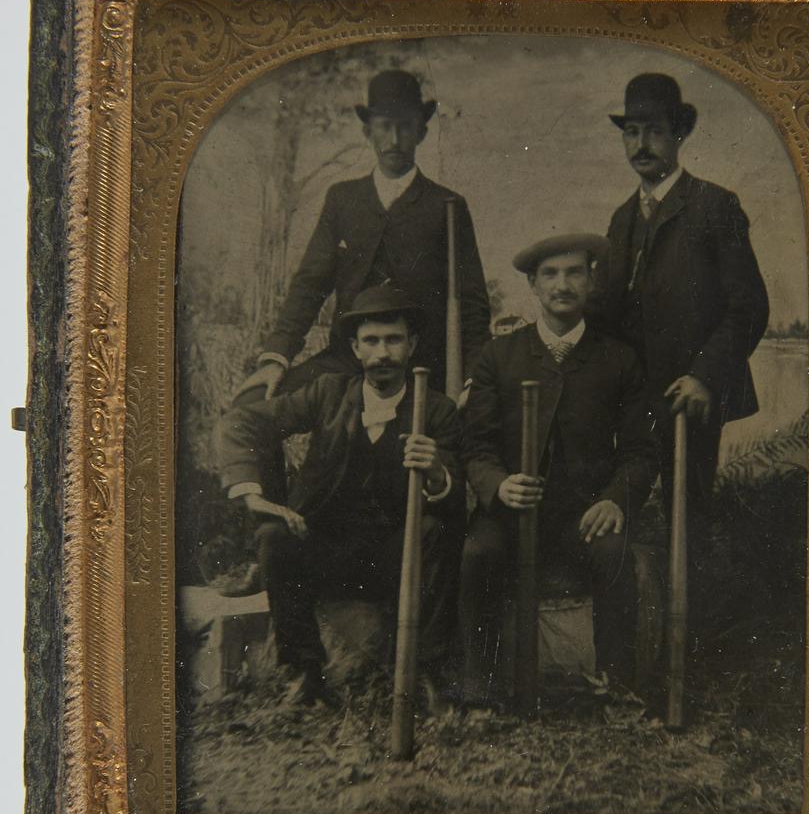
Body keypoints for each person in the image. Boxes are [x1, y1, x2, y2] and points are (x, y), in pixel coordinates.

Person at [224, 68, 490, 594]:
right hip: (346, 362)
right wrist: (276, 358)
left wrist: (472, 379)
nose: (394, 141)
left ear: (422, 131)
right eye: (384, 127)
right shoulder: (343, 200)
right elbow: (308, 286)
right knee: (253, 412)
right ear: (368, 131)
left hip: (419, 366)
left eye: (406, 127)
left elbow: (473, 305)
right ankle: (273, 534)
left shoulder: (447, 206)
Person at [218, 286, 464, 706]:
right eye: (371, 341)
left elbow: (459, 499)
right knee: (275, 541)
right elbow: (244, 423)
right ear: (355, 348)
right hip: (329, 548)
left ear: (412, 346)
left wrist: (436, 471)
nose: (382, 352)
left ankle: (426, 672)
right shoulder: (328, 393)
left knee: (435, 532)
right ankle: (306, 673)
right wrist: (251, 494)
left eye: (393, 340)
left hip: (395, 556)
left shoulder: (436, 409)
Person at [459, 235, 658, 702]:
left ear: (591, 281)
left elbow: (641, 450)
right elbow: (475, 443)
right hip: (510, 511)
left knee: (614, 553)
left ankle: (616, 682)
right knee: (476, 554)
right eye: (550, 274)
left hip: (582, 514)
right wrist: (498, 484)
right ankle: (479, 684)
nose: (562, 284)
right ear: (532, 283)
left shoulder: (619, 359)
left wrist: (615, 498)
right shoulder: (499, 356)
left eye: (574, 273)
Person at [592, 73, 769, 570]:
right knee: (613, 511)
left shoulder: (713, 206)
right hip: (633, 397)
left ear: (679, 134)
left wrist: (705, 377)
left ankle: (692, 642)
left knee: (686, 524)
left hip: (690, 395)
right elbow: (608, 311)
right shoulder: (622, 218)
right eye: (631, 131)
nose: (641, 143)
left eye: (653, 130)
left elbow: (748, 308)